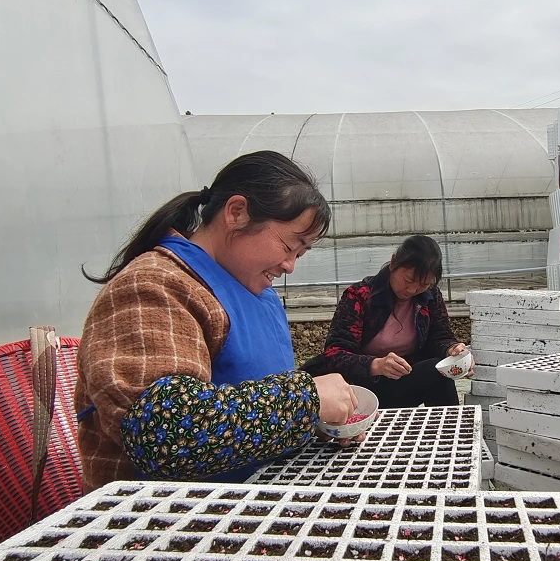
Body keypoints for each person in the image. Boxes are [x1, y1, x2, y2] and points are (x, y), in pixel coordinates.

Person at [75, 151, 360, 492]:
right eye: (289, 246)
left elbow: (257, 397)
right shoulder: (154, 286)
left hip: (260, 499)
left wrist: (315, 420)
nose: (290, 266)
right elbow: (165, 432)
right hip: (168, 521)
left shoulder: (254, 289)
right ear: (237, 213)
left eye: (299, 255)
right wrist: (306, 401)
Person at [302, 235, 473, 409]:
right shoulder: (360, 296)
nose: (413, 290)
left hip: (400, 383)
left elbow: (440, 337)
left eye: (424, 284)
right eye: (408, 280)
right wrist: (376, 365)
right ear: (393, 262)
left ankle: (448, 431)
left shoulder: (430, 297)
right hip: (357, 389)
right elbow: (335, 355)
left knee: (438, 372)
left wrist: (452, 350)